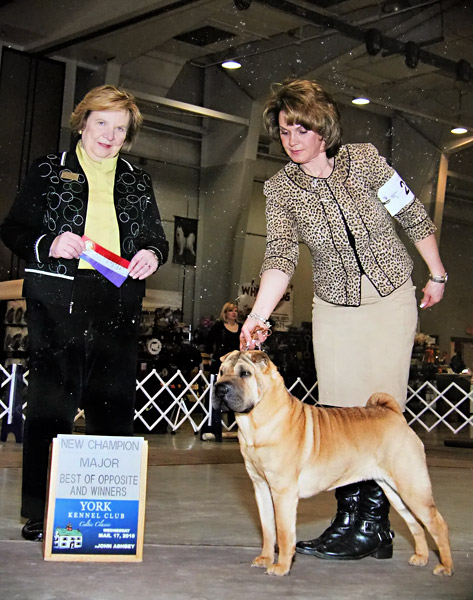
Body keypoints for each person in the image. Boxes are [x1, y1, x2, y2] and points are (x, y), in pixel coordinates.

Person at [240, 78, 446, 563]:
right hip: (334, 308)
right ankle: (349, 520)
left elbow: (412, 214)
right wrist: (258, 316)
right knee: (336, 414)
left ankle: (373, 527)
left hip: (391, 300)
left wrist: (436, 273)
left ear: (324, 128)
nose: (292, 140)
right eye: (284, 130)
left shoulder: (366, 160)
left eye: (301, 129)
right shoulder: (280, 189)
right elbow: (280, 257)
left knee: (380, 415)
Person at [0, 85, 169, 541]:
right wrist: (49, 243)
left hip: (118, 298)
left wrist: (152, 254)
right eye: (102, 124)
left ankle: (108, 513)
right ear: (82, 123)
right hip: (58, 297)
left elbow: (156, 238)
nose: (110, 136)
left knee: (113, 405)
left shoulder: (137, 179)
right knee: (51, 406)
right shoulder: (49, 169)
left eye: (120, 129)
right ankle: (41, 510)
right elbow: (13, 229)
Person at [206, 302, 242, 375]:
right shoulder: (218, 326)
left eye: (236, 311)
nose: (234, 313)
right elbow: (209, 341)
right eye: (230, 311)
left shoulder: (241, 327)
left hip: (236, 361)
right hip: (220, 360)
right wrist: (211, 355)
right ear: (225, 313)